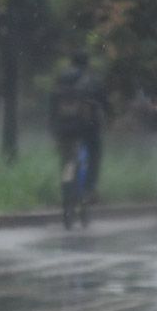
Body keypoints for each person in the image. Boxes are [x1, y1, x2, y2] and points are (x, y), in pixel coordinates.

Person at [49, 52, 110, 200]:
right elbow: (104, 103)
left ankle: (66, 187)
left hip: (64, 127)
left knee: (67, 158)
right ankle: (90, 189)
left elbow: (52, 103)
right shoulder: (93, 80)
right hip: (87, 128)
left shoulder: (61, 79)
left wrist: (52, 125)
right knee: (95, 153)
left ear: (71, 62)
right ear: (87, 64)